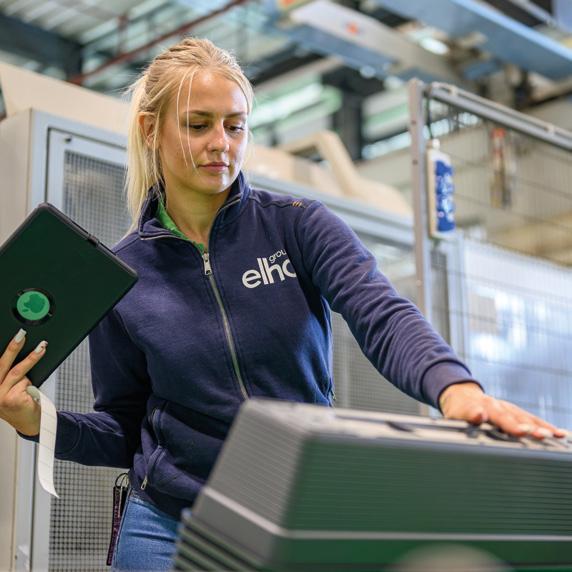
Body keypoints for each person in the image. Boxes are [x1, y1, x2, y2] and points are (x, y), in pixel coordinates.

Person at [0, 37, 566, 571]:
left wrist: (455, 390)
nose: (221, 143)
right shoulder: (124, 276)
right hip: (168, 525)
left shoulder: (297, 226)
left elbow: (381, 314)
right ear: (151, 129)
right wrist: (38, 422)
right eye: (198, 125)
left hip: (298, 502)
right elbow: (126, 428)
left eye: (235, 125)